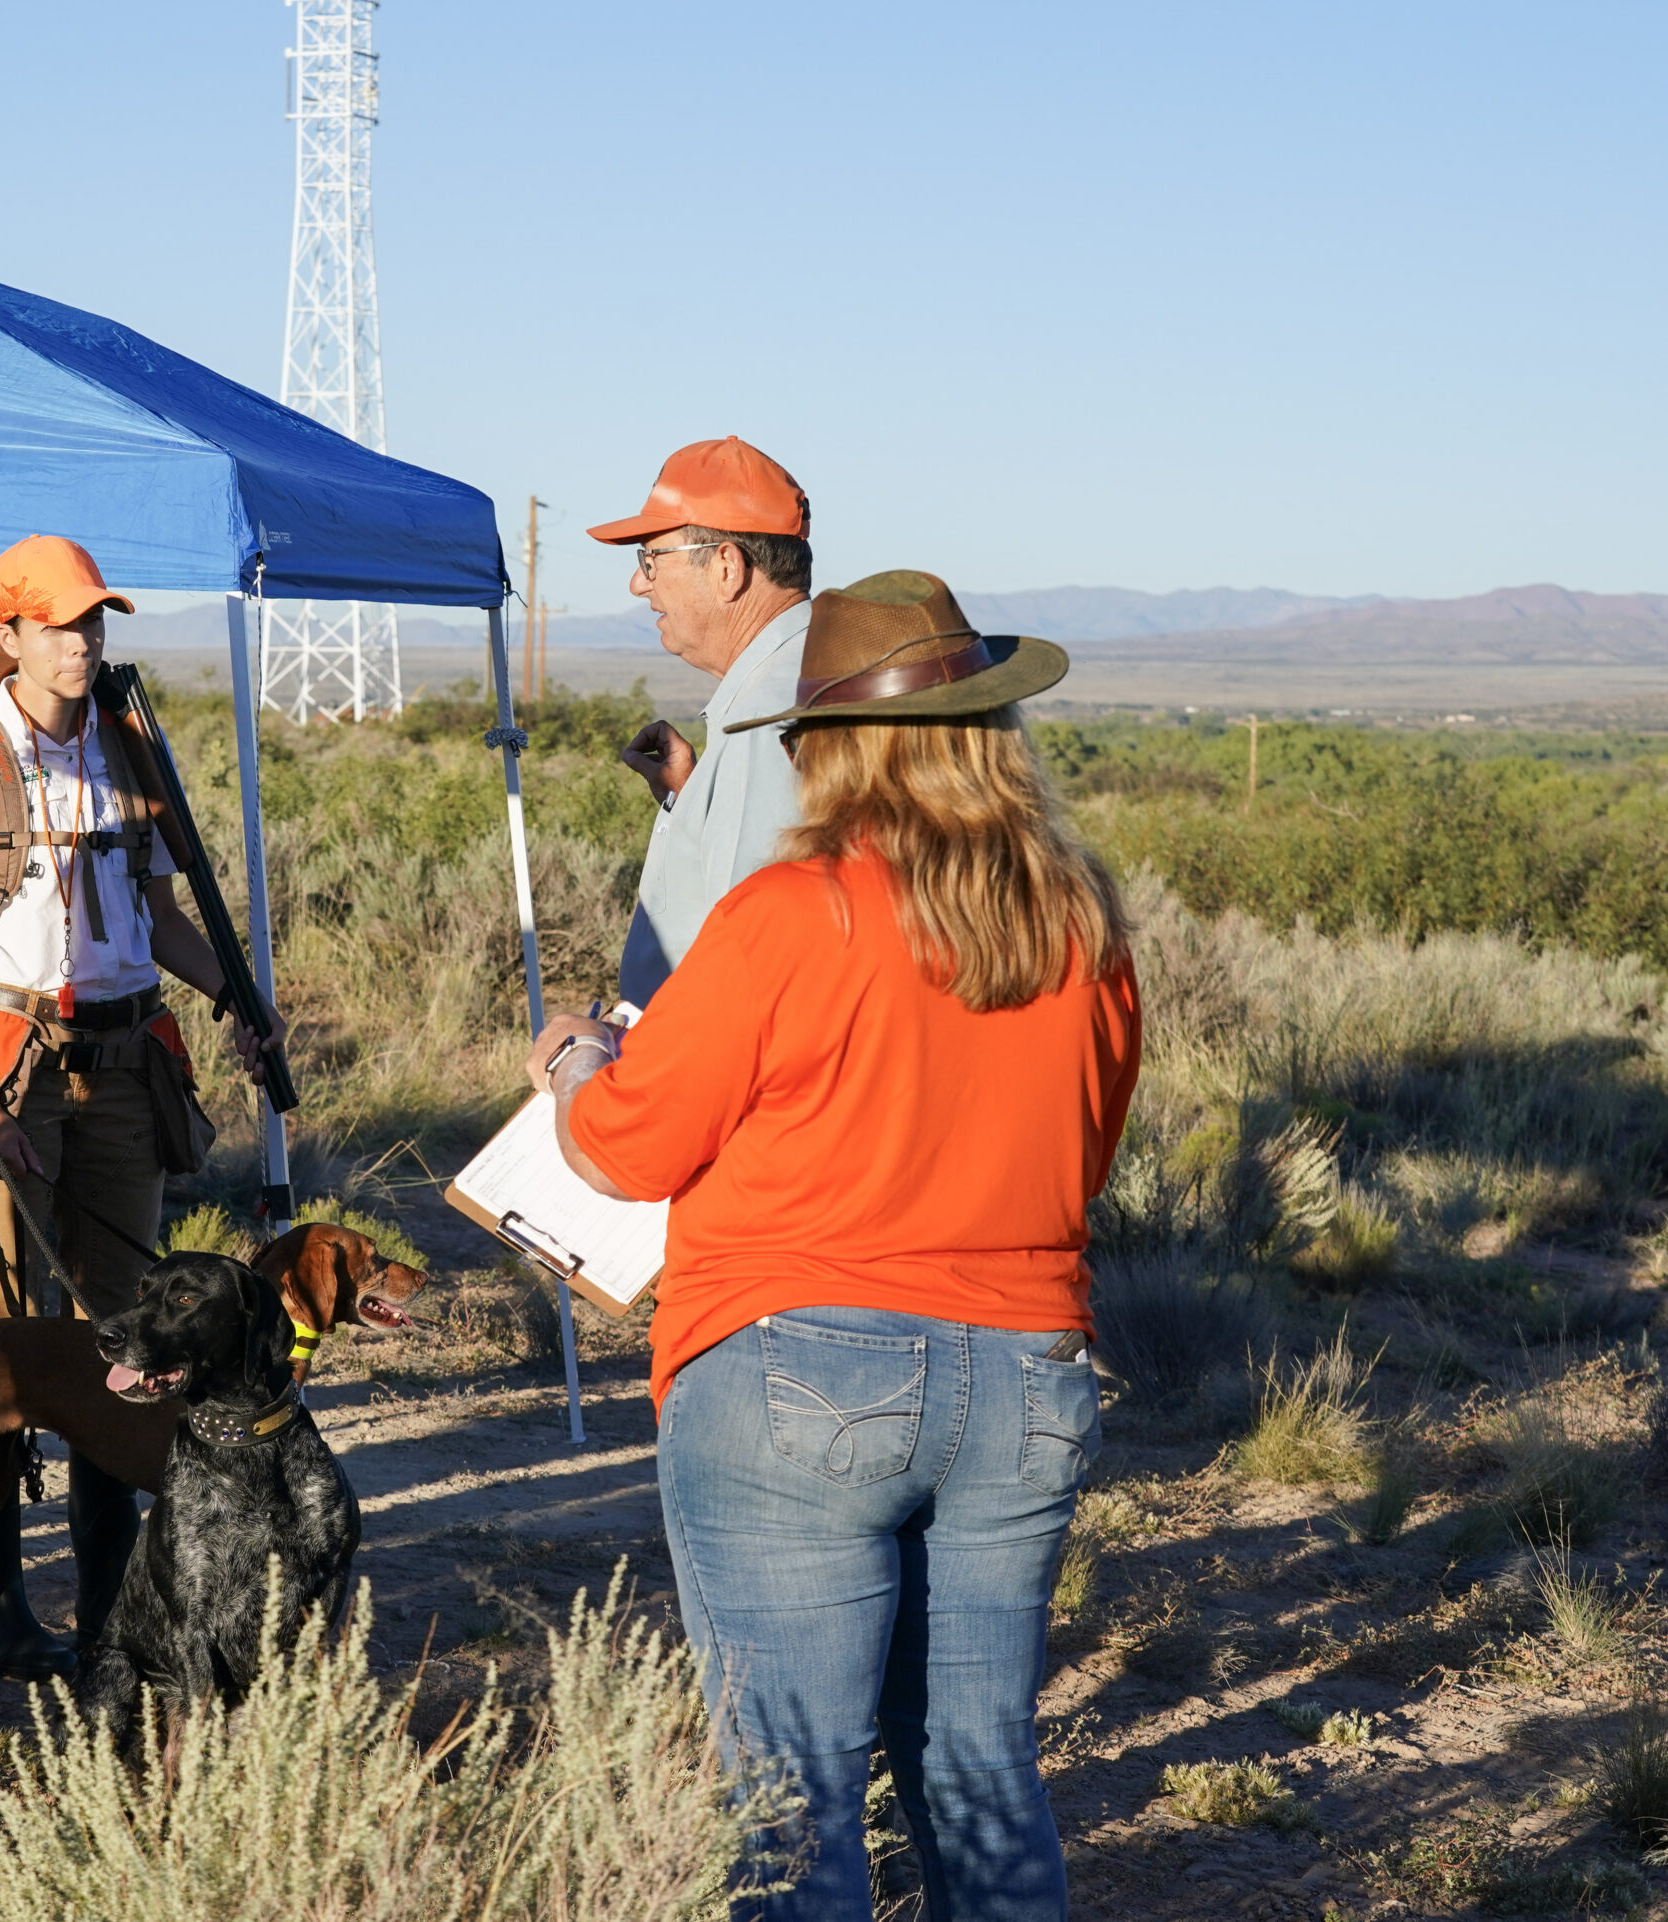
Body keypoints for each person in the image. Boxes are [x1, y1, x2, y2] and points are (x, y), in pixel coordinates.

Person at [528, 571, 1143, 1921]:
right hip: (1029, 1379)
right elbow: (1077, 1161)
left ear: (828, 746)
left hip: (791, 1373)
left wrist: (576, 1063)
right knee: (981, 1775)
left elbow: (630, 1145)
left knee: (792, 1802)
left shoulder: (790, 912)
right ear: (992, 731)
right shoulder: (1083, 921)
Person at [0, 534, 278, 1678]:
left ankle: (111, 1602)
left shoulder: (127, 747)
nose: (82, 642)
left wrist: (231, 994)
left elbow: (154, 912)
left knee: (134, 1340)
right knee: (5, 1341)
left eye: (93, 621)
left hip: (122, 1066)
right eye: (58, 624)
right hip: (8, 1062)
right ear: (3, 634)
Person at [586, 436, 814, 1005]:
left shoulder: (771, 713)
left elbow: (757, 964)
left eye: (649, 559)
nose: (638, 583)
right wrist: (693, 797)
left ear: (726, 566)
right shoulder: (804, 673)